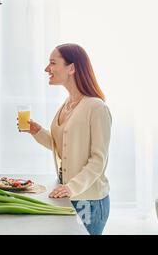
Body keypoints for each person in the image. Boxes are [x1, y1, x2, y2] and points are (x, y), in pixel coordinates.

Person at [20, 43, 112, 235]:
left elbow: (98, 160)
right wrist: (37, 131)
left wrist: (71, 187)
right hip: (68, 194)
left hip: (89, 201)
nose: (47, 69)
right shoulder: (67, 104)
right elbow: (62, 146)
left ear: (72, 67)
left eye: (52, 63)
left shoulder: (96, 108)